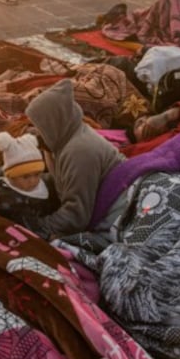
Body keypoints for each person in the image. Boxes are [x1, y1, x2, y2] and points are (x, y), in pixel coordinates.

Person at [24, 79, 125, 239]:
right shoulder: (61, 141)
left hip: (117, 217)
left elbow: (76, 216)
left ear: (53, 122)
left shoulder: (79, 150)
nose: (34, 131)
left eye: (39, 126)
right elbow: (61, 182)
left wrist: (39, 227)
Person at [0, 132, 59, 225]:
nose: (33, 181)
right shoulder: (6, 201)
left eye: (37, 174)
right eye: (25, 177)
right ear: (11, 176)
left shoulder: (47, 183)